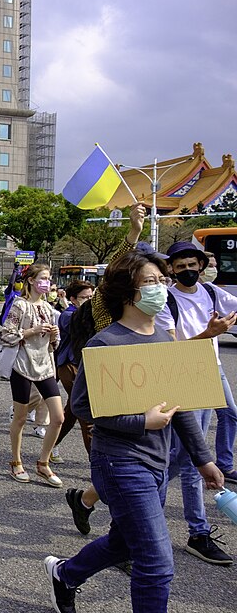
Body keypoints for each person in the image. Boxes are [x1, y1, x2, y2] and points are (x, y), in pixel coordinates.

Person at [45, 250, 225, 613]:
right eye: (151, 282)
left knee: (124, 543)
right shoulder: (104, 344)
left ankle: (65, 574)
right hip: (120, 463)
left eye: (162, 280)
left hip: (157, 463)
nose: (161, 287)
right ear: (128, 292)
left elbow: (180, 406)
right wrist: (141, 422)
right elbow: (82, 407)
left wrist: (204, 460)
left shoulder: (163, 338)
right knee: (156, 562)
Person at [153, 240, 236, 564]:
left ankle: (142, 505)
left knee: (227, 418)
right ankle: (197, 532)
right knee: (189, 458)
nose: (187, 270)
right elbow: (171, 350)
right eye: (180, 266)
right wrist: (208, 332)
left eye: (192, 265)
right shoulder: (166, 301)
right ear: (171, 269)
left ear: (202, 265)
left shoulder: (213, 293)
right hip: (184, 374)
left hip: (212, 369)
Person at [0, 263, 64, 487]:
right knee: (20, 418)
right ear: (31, 280)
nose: (47, 282)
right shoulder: (20, 305)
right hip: (23, 366)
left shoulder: (47, 307)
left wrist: (55, 335)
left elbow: (53, 344)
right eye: (43, 278)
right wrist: (31, 331)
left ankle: (43, 463)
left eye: (49, 278)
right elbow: (5, 335)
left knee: (58, 417)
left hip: (45, 366)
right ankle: (16, 462)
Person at [52, 280, 95, 464]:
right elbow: (81, 324)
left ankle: (51, 444)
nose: (89, 301)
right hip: (69, 366)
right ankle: (96, 462)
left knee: (71, 411)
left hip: (85, 365)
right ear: (73, 299)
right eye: (85, 297)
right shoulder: (68, 315)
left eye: (92, 297)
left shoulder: (91, 313)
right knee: (86, 413)